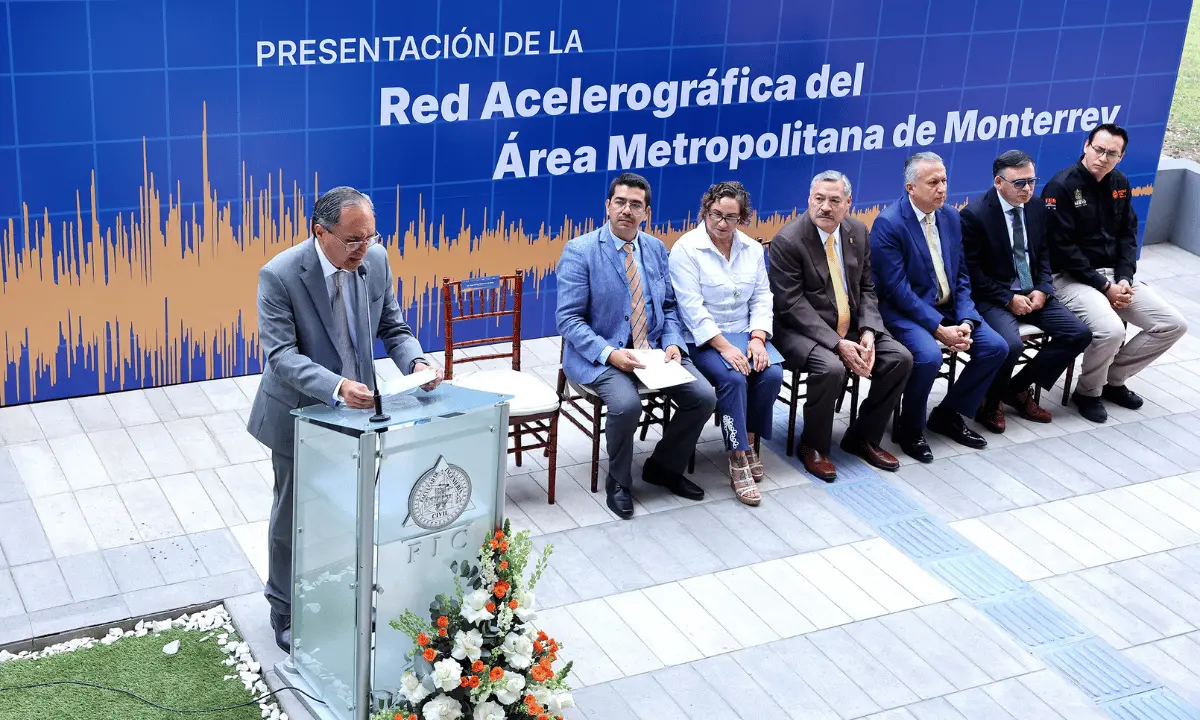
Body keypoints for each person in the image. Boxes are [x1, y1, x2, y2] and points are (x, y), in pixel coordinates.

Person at [246, 186, 443, 652]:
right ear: (321, 233)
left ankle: (347, 592)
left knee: (352, 512)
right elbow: (281, 356)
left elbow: (393, 327)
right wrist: (335, 387)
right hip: (302, 416)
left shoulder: (375, 261)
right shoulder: (279, 275)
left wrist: (415, 363)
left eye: (370, 238)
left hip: (360, 417)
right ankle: (285, 609)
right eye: (353, 240)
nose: (364, 249)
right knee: (293, 517)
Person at [556, 172, 717, 519]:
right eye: (620, 202)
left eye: (635, 205)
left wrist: (674, 344)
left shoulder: (657, 249)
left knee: (704, 397)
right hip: (602, 357)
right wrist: (611, 354)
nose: (627, 210)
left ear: (646, 212)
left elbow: (670, 307)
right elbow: (568, 320)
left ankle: (663, 466)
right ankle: (619, 481)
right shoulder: (581, 251)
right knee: (627, 405)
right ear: (607, 206)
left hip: (654, 352)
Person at [769, 170, 913, 481]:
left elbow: (867, 288)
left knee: (900, 358)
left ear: (848, 203)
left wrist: (869, 332)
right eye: (818, 199)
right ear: (809, 199)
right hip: (801, 331)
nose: (825, 207)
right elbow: (791, 306)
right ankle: (814, 447)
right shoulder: (788, 241)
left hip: (851, 325)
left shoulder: (858, 231)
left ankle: (863, 436)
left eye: (834, 201)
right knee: (831, 368)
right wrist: (837, 344)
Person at [1042, 123, 1187, 423]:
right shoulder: (1061, 186)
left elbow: (1128, 235)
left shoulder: (1120, 182)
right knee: (1111, 330)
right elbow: (1062, 250)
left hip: (1113, 276)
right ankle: (1088, 392)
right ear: (1086, 146)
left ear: (1120, 157)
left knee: (1172, 324)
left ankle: (1112, 379)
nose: (1103, 158)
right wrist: (1104, 286)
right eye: (1098, 149)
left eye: (1112, 153)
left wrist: (1123, 279)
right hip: (1070, 278)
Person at [870, 152, 1008, 463]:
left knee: (995, 347)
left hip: (948, 308)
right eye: (933, 182)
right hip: (904, 312)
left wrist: (967, 320)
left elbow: (960, 275)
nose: (941, 188)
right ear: (910, 187)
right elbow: (897, 290)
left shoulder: (951, 217)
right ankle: (910, 430)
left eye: (944, 180)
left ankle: (948, 414)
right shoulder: (889, 224)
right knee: (929, 356)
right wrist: (938, 328)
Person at [668, 181, 784, 505]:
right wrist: (724, 347)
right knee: (733, 379)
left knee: (772, 375)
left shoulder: (752, 249)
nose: (721, 223)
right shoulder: (686, 249)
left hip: (745, 334)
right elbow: (691, 309)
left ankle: (747, 439)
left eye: (730, 218)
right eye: (716, 214)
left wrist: (758, 339)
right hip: (704, 340)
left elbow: (762, 297)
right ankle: (737, 457)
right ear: (705, 211)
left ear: (741, 219)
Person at [960, 150, 1092, 432]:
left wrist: (1044, 288)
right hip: (994, 297)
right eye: (1020, 183)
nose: (1028, 188)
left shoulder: (1035, 207)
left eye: (1032, 181)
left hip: (1033, 292)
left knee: (1078, 334)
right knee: (1012, 344)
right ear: (998, 182)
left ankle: (1017, 388)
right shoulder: (975, 215)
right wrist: (1008, 298)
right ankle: (990, 402)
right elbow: (972, 273)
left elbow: (1043, 254)